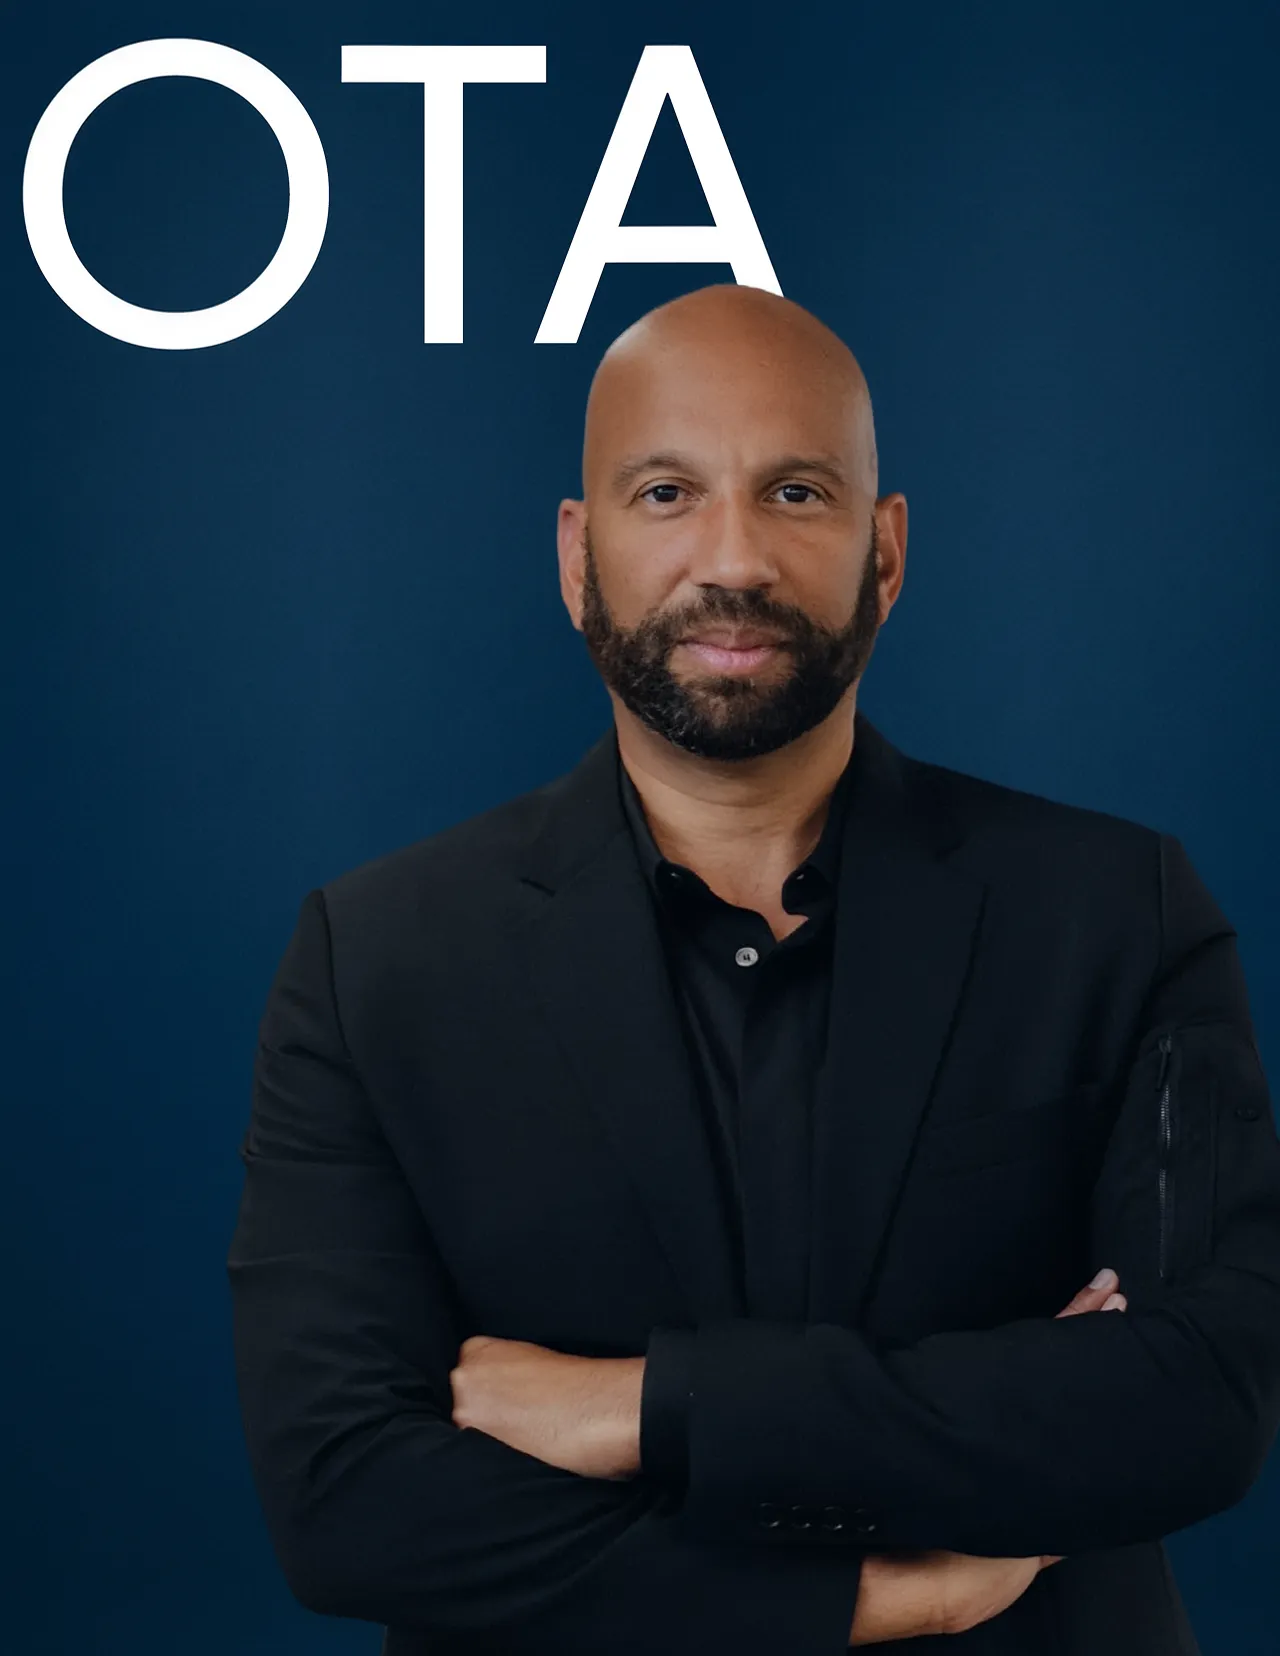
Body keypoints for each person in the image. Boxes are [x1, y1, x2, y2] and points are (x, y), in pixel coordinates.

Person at [226, 284, 1280, 1655]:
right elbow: (347, 1501)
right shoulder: (376, 962)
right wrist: (854, 1595)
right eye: (666, 492)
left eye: (795, 491)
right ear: (576, 555)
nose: (733, 558)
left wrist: (645, 1409)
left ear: (885, 553)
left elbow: (1202, 1404)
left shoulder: (1116, 912)